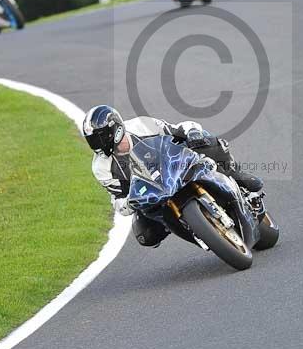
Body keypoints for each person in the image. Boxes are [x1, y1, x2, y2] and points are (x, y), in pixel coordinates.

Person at [82, 105, 264, 248]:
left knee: (205, 141)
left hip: (175, 166)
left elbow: (178, 129)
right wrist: (129, 202)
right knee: (145, 234)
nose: (96, 144)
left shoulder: (141, 125)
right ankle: (190, 227)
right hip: (151, 192)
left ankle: (233, 174)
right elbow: (117, 199)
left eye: (99, 137)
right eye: (92, 140)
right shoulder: (101, 166)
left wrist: (192, 132)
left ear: (115, 128)